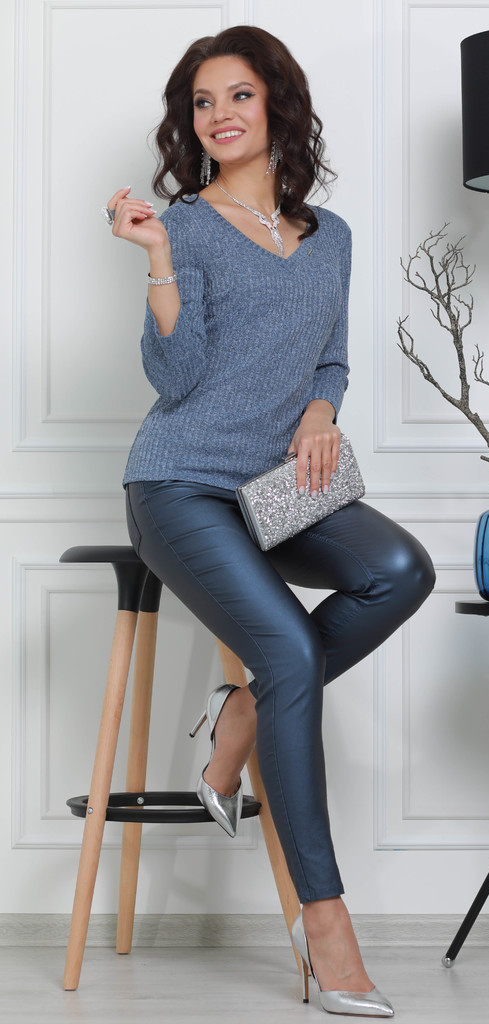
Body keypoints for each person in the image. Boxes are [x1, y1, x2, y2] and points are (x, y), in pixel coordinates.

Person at [105, 25, 435, 1018]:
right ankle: (324, 923)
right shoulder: (186, 225)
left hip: (282, 486)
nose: (220, 116)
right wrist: (157, 257)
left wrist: (323, 412)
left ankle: (239, 713)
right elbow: (175, 378)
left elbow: (330, 358)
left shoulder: (330, 236)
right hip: (179, 484)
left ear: (275, 103)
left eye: (239, 95)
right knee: (289, 650)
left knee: (399, 569)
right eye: (203, 102)